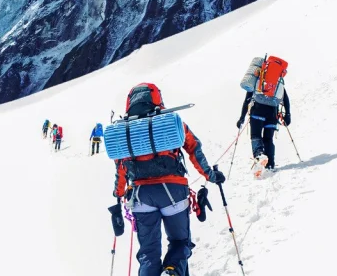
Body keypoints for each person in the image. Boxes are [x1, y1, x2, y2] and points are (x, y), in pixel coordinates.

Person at [111, 83, 225, 276]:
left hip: (141, 196)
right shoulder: (170, 122)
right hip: (173, 191)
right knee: (180, 242)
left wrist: (118, 194)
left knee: (148, 252)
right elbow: (194, 149)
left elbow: (121, 167)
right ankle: (172, 271)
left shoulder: (125, 132)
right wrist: (211, 176)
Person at [237, 86, 291, 172]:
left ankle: (259, 155)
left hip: (257, 112)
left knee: (256, 136)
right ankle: (270, 165)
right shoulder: (277, 81)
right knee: (268, 139)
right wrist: (287, 114)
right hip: (272, 114)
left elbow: (248, 99)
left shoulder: (256, 80)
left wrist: (242, 117)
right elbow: (285, 98)